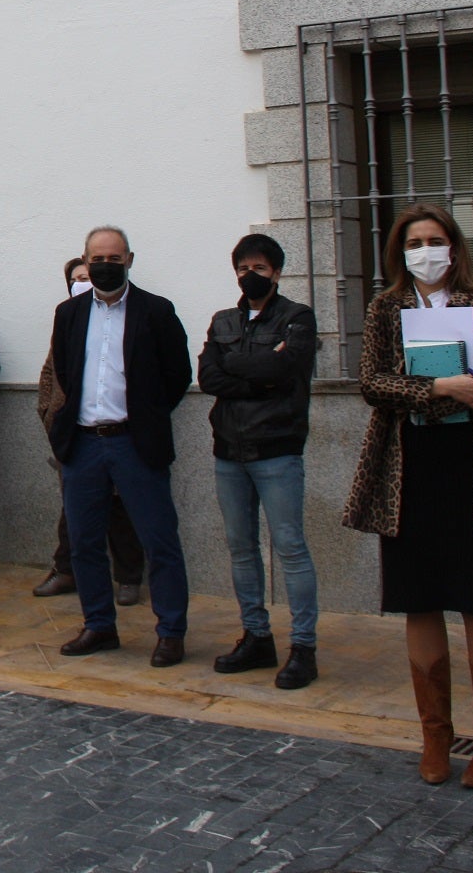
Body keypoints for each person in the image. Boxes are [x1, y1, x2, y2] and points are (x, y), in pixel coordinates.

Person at [345, 203, 473, 789]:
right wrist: (441, 387)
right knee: (419, 599)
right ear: (399, 251)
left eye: (435, 239)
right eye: (414, 241)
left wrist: (435, 391)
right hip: (408, 468)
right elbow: (372, 383)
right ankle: (435, 736)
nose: (425, 250)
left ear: (453, 245)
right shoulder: (385, 306)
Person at [48, 226, 194, 666]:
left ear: (129, 259)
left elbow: (178, 374)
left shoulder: (157, 311)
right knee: (85, 543)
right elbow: (65, 372)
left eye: (114, 258)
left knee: (159, 540)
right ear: (85, 260)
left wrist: (147, 416)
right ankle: (98, 625)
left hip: (135, 443)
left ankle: (170, 631)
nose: (105, 266)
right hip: (84, 444)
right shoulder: (69, 313)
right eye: (97, 259)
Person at [198, 234, 321, 691]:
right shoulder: (224, 319)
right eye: (244, 267)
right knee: (241, 548)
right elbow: (208, 376)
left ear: (277, 271)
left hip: (277, 449)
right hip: (228, 450)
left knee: (290, 548)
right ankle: (256, 635)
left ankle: (303, 647)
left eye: (261, 268)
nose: (251, 275)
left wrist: (238, 368)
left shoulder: (297, 318)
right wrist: (257, 371)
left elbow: (287, 371)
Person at [35, 256, 144, 604]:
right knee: (74, 509)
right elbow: (50, 374)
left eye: (86, 276)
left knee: (119, 508)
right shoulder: (67, 320)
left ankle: (128, 577)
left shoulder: (128, 318)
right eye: (75, 278)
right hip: (73, 436)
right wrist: (51, 416)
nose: (81, 282)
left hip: (117, 432)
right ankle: (66, 570)